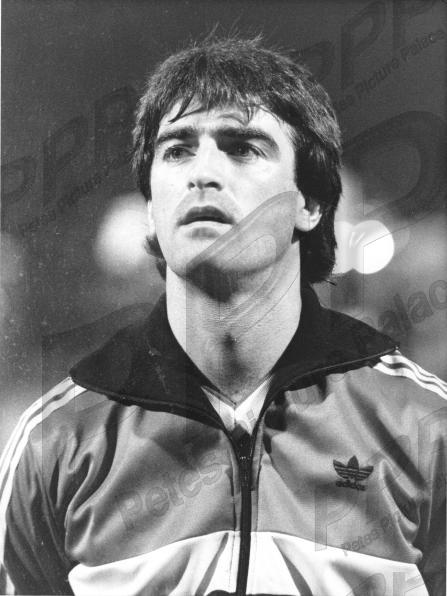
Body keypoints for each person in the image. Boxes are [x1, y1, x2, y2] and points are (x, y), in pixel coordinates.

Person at [0, 36, 445, 596]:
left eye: (243, 148)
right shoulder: (57, 442)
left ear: (310, 203)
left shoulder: (423, 425)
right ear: (151, 208)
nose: (202, 172)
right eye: (177, 150)